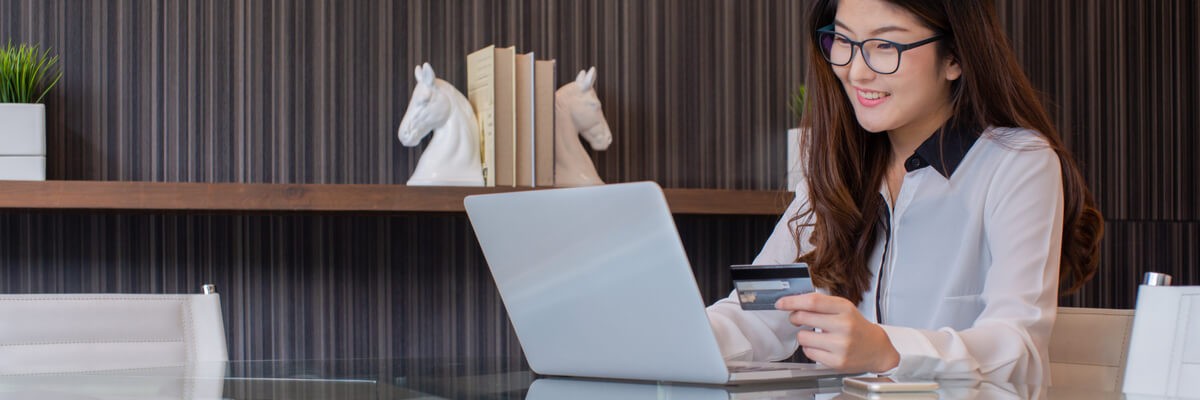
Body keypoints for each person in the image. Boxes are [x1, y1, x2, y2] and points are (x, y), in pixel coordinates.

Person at [706, 0, 1104, 383]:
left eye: (885, 45)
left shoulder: (1017, 163)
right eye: (844, 41)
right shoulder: (834, 170)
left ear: (955, 57)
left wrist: (889, 349)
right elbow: (757, 314)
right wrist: (670, 336)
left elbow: (1019, 348)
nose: (857, 71)